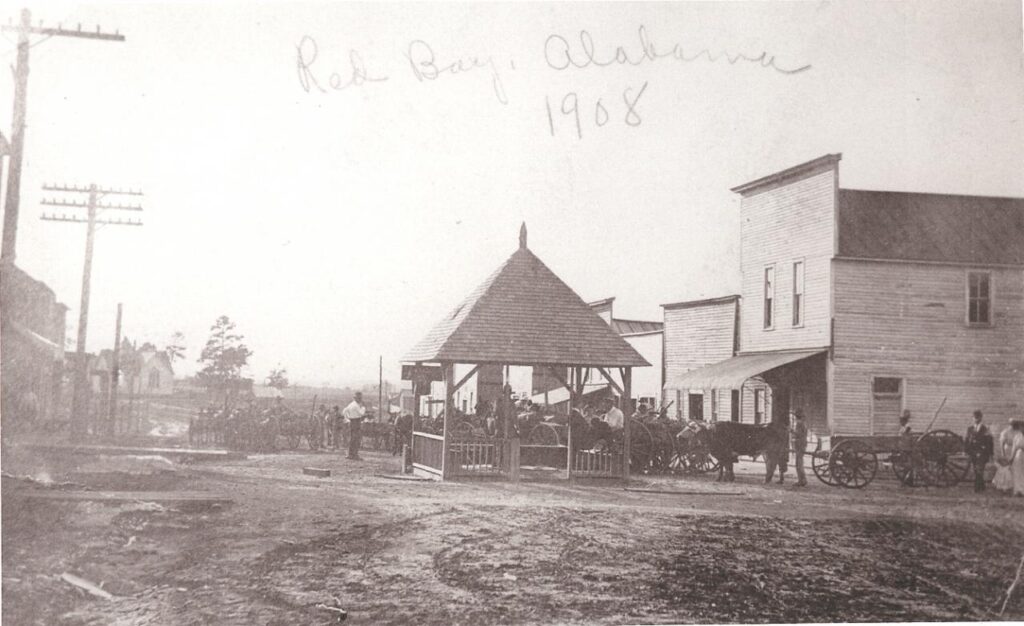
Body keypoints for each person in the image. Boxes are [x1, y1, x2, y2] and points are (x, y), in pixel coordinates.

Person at [965, 410, 994, 493]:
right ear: (972, 418)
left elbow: (990, 441)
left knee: (979, 469)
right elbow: (967, 440)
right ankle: (982, 486)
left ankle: (977, 488)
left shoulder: (985, 429)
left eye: (978, 417)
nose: (976, 419)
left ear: (981, 418)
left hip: (982, 452)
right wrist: (966, 451)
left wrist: (991, 453)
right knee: (976, 469)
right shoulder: (970, 429)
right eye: (974, 417)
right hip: (973, 452)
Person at [343, 392, 367, 460]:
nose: (360, 399)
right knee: (356, 439)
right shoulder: (356, 405)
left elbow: (344, 411)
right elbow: (361, 413)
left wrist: (347, 419)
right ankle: (355, 455)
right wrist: (363, 407)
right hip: (356, 421)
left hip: (352, 421)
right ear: (357, 398)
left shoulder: (351, 404)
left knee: (352, 438)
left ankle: (350, 454)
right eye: (359, 398)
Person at [791, 410, 809, 487]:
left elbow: (798, 434)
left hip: (799, 444)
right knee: (799, 463)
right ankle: (802, 480)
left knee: (799, 464)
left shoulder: (799, 424)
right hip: (803, 444)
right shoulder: (804, 423)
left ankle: (802, 480)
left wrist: (791, 431)